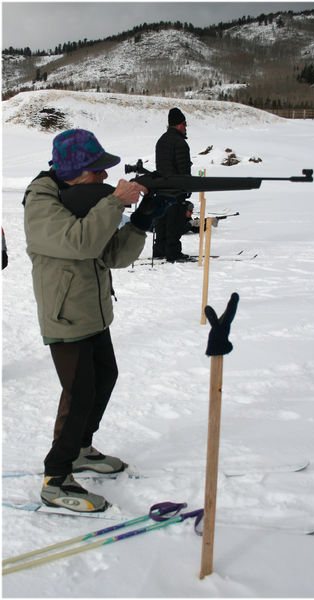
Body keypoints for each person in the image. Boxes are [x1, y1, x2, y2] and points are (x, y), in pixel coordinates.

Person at [22, 128, 156, 513]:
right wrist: (115, 202)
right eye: (96, 171)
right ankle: (56, 478)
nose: (102, 177)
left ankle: (80, 448)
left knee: (105, 377)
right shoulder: (41, 202)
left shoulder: (85, 200)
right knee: (79, 393)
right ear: (74, 172)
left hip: (92, 309)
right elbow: (79, 242)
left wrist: (140, 223)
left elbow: (111, 255)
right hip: (65, 316)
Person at [153, 107, 193, 262]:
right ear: (178, 125)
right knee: (175, 221)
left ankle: (159, 250)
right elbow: (183, 169)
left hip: (161, 187)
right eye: (184, 123)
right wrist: (187, 187)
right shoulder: (180, 143)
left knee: (162, 219)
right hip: (176, 188)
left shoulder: (161, 140)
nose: (185, 127)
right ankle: (173, 252)